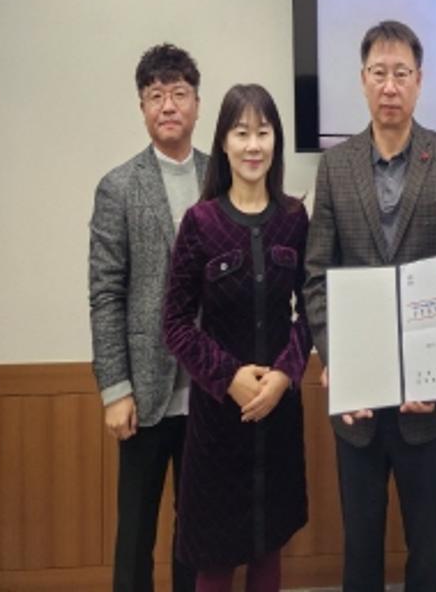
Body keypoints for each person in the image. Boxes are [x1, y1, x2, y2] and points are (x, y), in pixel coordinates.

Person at [303, 19, 436, 592]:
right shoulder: (336, 165)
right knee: (361, 547)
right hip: (358, 402)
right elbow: (316, 275)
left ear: (419, 81)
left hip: (426, 400)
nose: (389, 86)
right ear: (362, 79)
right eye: (378, 73)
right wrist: (337, 357)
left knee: (428, 547)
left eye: (401, 73)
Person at [162, 84, 311, 592]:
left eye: (263, 133)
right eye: (241, 133)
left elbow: (311, 310)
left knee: (268, 548)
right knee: (215, 557)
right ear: (223, 143)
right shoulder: (200, 223)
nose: (253, 145)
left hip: (278, 413)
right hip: (217, 420)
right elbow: (175, 322)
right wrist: (229, 378)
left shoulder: (293, 219)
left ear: (276, 142)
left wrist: (285, 375)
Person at [89, 43, 204, 592]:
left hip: (209, 389)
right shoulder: (118, 186)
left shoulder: (223, 176)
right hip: (144, 390)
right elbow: (105, 293)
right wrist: (115, 388)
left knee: (197, 530)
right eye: (155, 96)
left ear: (197, 103)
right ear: (142, 108)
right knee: (135, 531)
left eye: (178, 93)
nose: (168, 105)